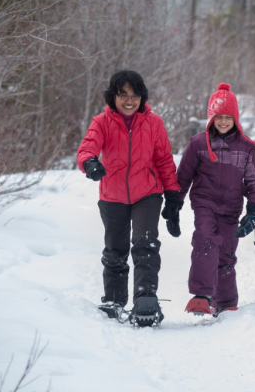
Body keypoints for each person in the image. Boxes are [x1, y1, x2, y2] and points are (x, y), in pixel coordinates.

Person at [76, 70, 181, 326]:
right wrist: (90, 163)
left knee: (145, 244)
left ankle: (145, 297)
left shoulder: (153, 123)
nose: (129, 100)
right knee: (115, 249)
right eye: (123, 94)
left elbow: (164, 160)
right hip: (112, 195)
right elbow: (87, 146)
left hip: (147, 193)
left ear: (142, 97)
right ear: (114, 96)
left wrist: (173, 195)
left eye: (134, 95)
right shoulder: (101, 122)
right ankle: (114, 299)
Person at [171, 83, 255, 316]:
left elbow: (254, 181)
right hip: (205, 202)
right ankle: (202, 295)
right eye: (218, 117)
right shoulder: (198, 143)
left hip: (232, 208)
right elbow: (183, 176)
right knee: (205, 239)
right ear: (211, 118)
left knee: (226, 254)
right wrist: (175, 204)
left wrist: (254, 210)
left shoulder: (246, 147)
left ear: (235, 118)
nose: (223, 122)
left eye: (228, 117)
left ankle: (226, 303)